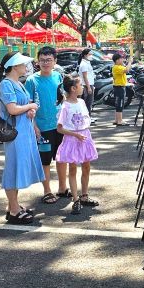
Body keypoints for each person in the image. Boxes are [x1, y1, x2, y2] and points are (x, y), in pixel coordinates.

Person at [0, 52, 44, 225]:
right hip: (15, 133)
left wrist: (30, 112)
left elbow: (21, 107)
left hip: (24, 130)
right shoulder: (6, 84)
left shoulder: (17, 82)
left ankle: (13, 207)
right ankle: (14, 210)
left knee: (17, 168)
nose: (26, 67)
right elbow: (12, 109)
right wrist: (31, 106)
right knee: (13, 169)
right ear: (15, 66)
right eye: (23, 64)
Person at [24, 46, 67, 204]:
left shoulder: (58, 76)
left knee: (62, 158)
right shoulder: (31, 80)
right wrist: (34, 125)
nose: (45, 63)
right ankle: (47, 191)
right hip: (42, 128)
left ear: (55, 61)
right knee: (45, 161)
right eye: (42, 60)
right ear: (38, 62)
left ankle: (63, 188)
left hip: (60, 126)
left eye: (49, 60)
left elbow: (62, 98)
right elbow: (28, 105)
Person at [56, 74, 99, 214]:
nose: (82, 88)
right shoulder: (65, 106)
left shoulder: (81, 102)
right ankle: (75, 199)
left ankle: (84, 195)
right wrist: (75, 134)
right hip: (73, 139)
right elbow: (60, 128)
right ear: (73, 88)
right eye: (80, 85)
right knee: (73, 169)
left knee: (86, 167)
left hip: (84, 137)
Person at [111, 51, 132, 126]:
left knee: (118, 103)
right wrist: (130, 62)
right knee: (120, 104)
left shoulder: (117, 67)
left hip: (118, 87)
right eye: (121, 59)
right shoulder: (117, 67)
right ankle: (119, 121)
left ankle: (117, 120)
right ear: (117, 60)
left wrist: (125, 62)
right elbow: (127, 70)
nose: (122, 60)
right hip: (119, 87)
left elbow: (125, 67)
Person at [78, 48, 95, 115]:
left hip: (89, 84)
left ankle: (88, 117)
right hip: (86, 85)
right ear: (85, 55)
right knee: (87, 103)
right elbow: (85, 77)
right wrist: (88, 87)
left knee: (89, 103)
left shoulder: (87, 63)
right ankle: (86, 117)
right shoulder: (84, 64)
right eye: (90, 54)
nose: (91, 56)